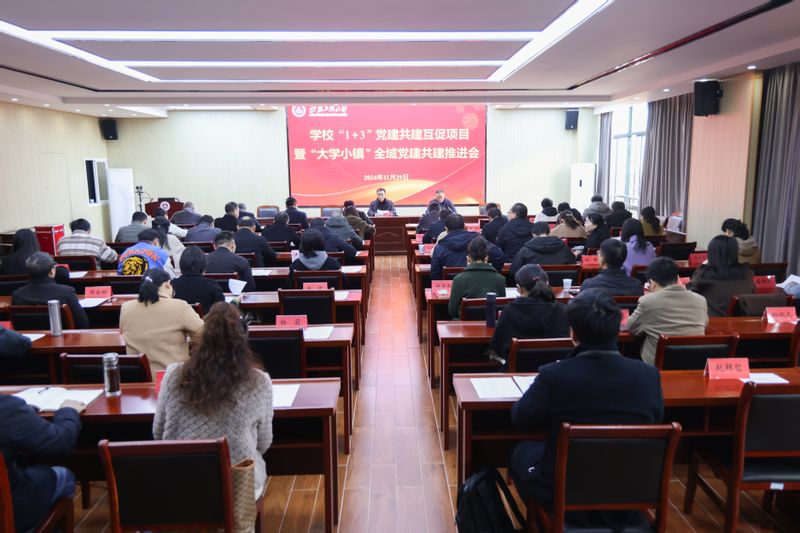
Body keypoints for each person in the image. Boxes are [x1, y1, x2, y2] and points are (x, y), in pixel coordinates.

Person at [509, 290, 663, 526]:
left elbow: (522, 419)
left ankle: (543, 522)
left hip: (566, 487)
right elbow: (656, 421)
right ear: (618, 329)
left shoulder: (555, 375)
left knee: (520, 452)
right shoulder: (649, 375)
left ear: (572, 333)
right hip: (630, 485)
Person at [153, 302, 273, 498]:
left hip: (179, 481)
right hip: (238, 484)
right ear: (243, 338)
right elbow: (264, 442)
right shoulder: (259, 382)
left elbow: (158, 433)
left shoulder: (174, 375)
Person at [0, 392, 83, 532]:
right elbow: (61, 442)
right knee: (64, 475)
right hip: (11, 510)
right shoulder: (6, 407)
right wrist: (68, 410)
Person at [119, 268, 204, 376]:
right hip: (173, 378)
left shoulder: (126, 307)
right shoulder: (179, 306)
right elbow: (204, 334)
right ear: (168, 284)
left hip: (138, 378)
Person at [627, 257, 708, 365]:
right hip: (693, 362)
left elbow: (631, 327)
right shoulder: (701, 300)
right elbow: (704, 324)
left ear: (652, 283)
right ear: (677, 278)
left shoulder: (648, 301)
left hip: (658, 363)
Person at [489, 265, 570, 364]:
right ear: (547, 284)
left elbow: (497, 346)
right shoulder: (563, 311)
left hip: (517, 369)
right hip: (555, 369)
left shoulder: (509, 311)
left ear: (519, 288)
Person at [12, 252, 89, 328]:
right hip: (64, 335)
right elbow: (82, 323)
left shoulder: (17, 296)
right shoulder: (67, 292)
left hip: (28, 336)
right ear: (51, 271)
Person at [689, 235, 755, 316]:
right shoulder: (747, 273)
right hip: (741, 322)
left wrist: (702, 265)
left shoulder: (705, 275)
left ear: (711, 254)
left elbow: (689, 291)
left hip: (712, 322)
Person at [448, 236, 507, 318]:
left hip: (465, 324)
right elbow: (501, 309)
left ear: (468, 258)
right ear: (486, 258)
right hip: (491, 323)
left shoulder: (459, 279)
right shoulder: (500, 279)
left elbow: (452, 311)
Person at [430, 214, 503, 280]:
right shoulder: (477, 239)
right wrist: (492, 275)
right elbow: (498, 255)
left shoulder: (439, 247)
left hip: (451, 286)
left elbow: (435, 273)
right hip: (477, 283)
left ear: (446, 229)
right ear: (465, 227)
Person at [172, 246, 225, 314]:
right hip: (206, 320)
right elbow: (222, 311)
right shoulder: (212, 285)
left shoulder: (171, 286)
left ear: (181, 264)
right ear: (204, 265)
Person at [509, 222, 575, 277]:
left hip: (533, 286)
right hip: (561, 284)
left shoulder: (525, 250)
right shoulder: (563, 248)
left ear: (533, 234)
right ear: (549, 232)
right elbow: (573, 265)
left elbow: (514, 270)